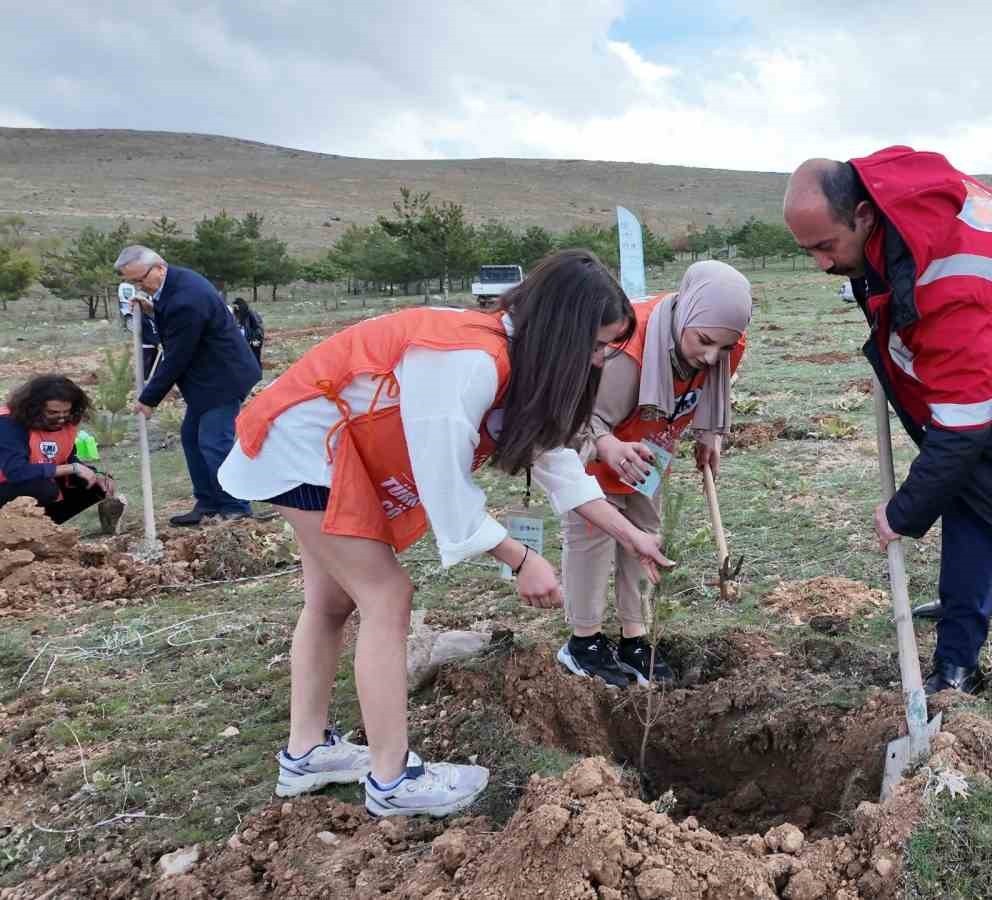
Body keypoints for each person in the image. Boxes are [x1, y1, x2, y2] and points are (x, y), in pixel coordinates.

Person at [217, 250, 673, 817]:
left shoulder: (514, 358)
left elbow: (557, 461)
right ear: (561, 329)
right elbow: (444, 486)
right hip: (304, 449)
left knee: (332, 601)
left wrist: (630, 534)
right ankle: (393, 779)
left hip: (321, 452)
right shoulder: (467, 359)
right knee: (386, 595)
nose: (603, 359)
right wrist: (519, 556)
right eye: (598, 344)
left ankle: (306, 752)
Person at [783, 149, 992, 694]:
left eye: (827, 247)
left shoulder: (950, 285)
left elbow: (961, 435)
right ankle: (983, 587)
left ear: (865, 216)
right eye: (808, 251)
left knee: (972, 488)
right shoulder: (888, 188)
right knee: (954, 465)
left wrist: (903, 513)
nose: (821, 265)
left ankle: (957, 665)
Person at [559, 261, 751, 687]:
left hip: (651, 447)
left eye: (723, 347)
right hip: (596, 450)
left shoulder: (724, 343)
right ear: (687, 313)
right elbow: (576, 417)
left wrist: (709, 433)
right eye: (704, 341)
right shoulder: (626, 354)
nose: (711, 356)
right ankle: (583, 643)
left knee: (644, 535)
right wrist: (608, 448)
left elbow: (709, 389)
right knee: (592, 541)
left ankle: (635, 638)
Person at [116, 245, 261, 526]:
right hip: (206, 378)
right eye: (131, 282)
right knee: (192, 438)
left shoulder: (186, 298)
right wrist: (152, 307)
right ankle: (207, 502)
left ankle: (236, 508)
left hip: (222, 378)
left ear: (159, 267)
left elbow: (177, 355)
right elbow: (173, 321)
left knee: (213, 442)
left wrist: (149, 398)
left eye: (140, 279)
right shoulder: (176, 283)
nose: (138, 286)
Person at [0, 375, 123, 533]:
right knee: (43, 488)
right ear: (33, 408)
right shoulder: (9, 424)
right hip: (8, 484)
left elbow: (68, 458)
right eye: (52, 412)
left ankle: (44, 530)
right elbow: (16, 471)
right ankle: (14, 531)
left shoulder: (66, 423)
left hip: (34, 480)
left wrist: (96, 474)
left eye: (66, 412)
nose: (60, 418)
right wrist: (73, 468)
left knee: (94, 484)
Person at [119, 292, 161, 378]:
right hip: (147, 347)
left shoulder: (150, 316)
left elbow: (155, 330)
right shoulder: (140, 318)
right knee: (146, 367)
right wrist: (157, 343)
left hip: (155, 345)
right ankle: (145, 382)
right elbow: (146, 334)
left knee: (156, 366)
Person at [233, 297, 265, 366]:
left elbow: (257, 329)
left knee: (255, 357)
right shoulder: (238, 315)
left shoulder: (250, 315)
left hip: (254, 340)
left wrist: (253, 341)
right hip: (247, 341)